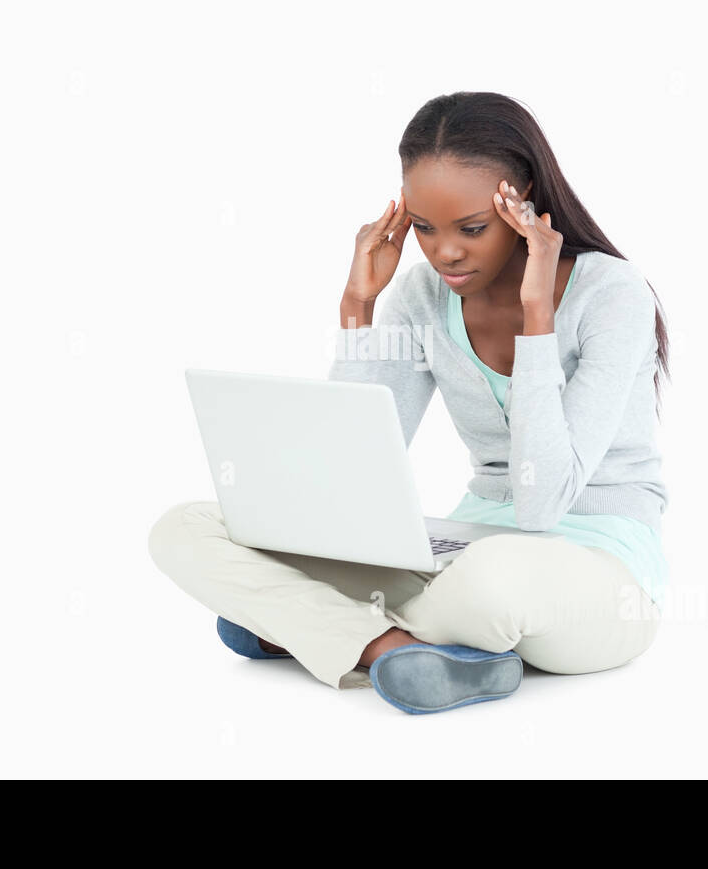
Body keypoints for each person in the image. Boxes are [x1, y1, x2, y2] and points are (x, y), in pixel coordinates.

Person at [148, 91, 670, 714]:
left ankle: (314, 625)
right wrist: (358, 309)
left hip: (592, 569)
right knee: (183, 528)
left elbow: (539, 506)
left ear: (524, 200)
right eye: (423, 227)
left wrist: (538, 319)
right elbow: (343, 474)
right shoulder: (425, 297)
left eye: (471, 228)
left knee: (493, 581)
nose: (443, 251)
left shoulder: (612, 295)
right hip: (463, 549)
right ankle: (393, 645)